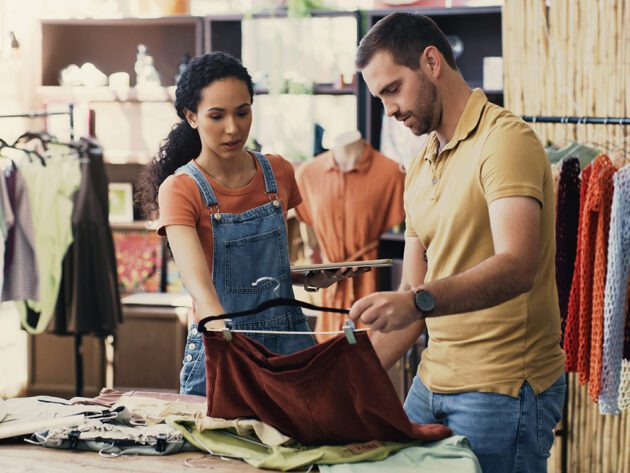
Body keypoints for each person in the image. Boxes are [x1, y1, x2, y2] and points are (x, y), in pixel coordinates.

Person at [348, 13, 566, 472]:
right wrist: (336, 383)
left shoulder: (505, 141)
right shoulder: (421, 163)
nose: (388, 110)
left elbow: (517, 265)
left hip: (504, 388)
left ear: (431, 62)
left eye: (392, 89)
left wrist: (417, 303)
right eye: (379, 97)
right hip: (431, 381)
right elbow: (411, 303)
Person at [138, 52, 356, 396]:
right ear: (191, 117)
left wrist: (306, 276)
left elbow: (262, 272)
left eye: (242, 112)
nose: (233, 128)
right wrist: (225, 337)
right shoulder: (181, 188)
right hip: (221, 342)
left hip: (288, 340)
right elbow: (201, 286)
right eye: (216, 115)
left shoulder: (279, 173)